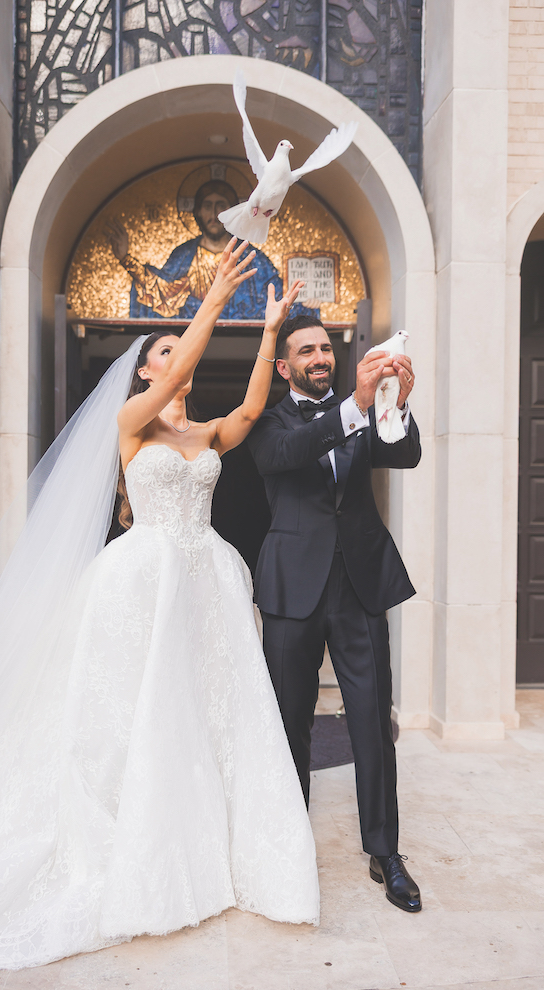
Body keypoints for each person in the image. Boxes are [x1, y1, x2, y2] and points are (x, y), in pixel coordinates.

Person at [0, 241, 319, 990]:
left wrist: (270, 330)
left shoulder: (200, 433)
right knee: (133, 713)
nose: (176, 359)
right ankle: (131, 838)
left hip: (206, 582)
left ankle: (214, 844)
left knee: (210, 712)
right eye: (164, 350)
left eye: (177, 348)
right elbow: (185, 368)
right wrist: (213, 299)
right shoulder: (132, 422)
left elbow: (250, 410)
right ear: (148, 369)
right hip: (140, 579)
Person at [246, 314, 423, 914]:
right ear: (284, 364)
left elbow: (408, 457)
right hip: (293, 589)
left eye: (326, 347)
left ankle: (385, 851)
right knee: (289, 723)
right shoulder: (267, 421)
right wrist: (356, 404)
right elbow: (289, 455)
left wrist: (394, 403)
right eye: (307, 350)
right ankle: (288, 846)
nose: (320, 356)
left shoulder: (365, 410)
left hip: (359, 586)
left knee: (373, 722)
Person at [107, 179, 318, 321]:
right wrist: (125, 258)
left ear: (232, 212)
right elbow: (162, 291)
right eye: (207, 206)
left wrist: (304, 305)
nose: (214, 213)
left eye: (221, 206)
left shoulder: (252, 257)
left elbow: (274, 298)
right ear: (197, 211)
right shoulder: (184, 255)